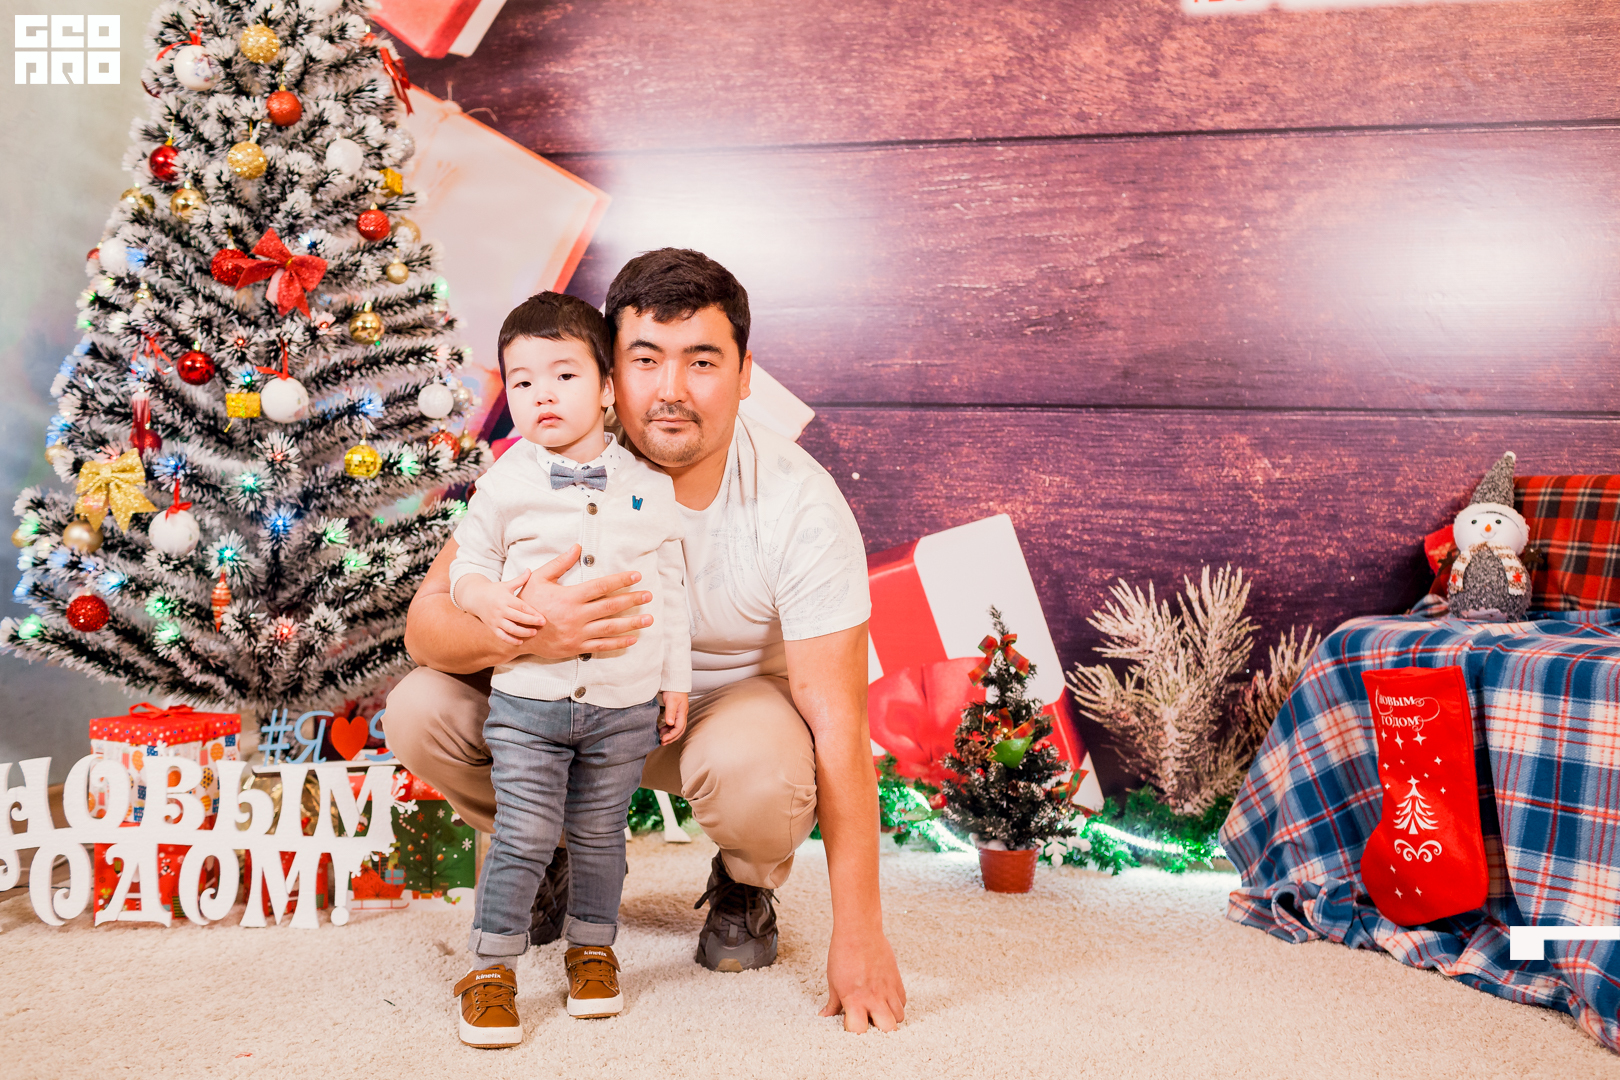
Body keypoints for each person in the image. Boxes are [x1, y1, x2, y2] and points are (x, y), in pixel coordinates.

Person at [387, 249, 908, 1033]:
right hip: (566, 702)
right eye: (644, 360)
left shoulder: (800, 504)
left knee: (759, 772)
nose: (671, 390)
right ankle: (552, 845)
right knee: (420, 707)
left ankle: (745, 880)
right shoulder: (547, 460)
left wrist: (861, 934)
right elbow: (426, 625)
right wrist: (527, 632)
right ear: (608, 374)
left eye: (701, 361)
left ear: (743, 374)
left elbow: (840, 721)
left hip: (721, 717)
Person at [444, 292, 690, 1047]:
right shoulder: (504, 482)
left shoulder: (649, 484)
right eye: (522, 381)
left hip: (623, 703)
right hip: (529, 703)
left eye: (563, 375)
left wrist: (674, 680)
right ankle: (491, 968)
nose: (541, 395)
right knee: (523, 833)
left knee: (600, 836)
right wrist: (488, 599)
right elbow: (467, 569)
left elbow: (672, 586)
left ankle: (592, 950)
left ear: (608, 388)